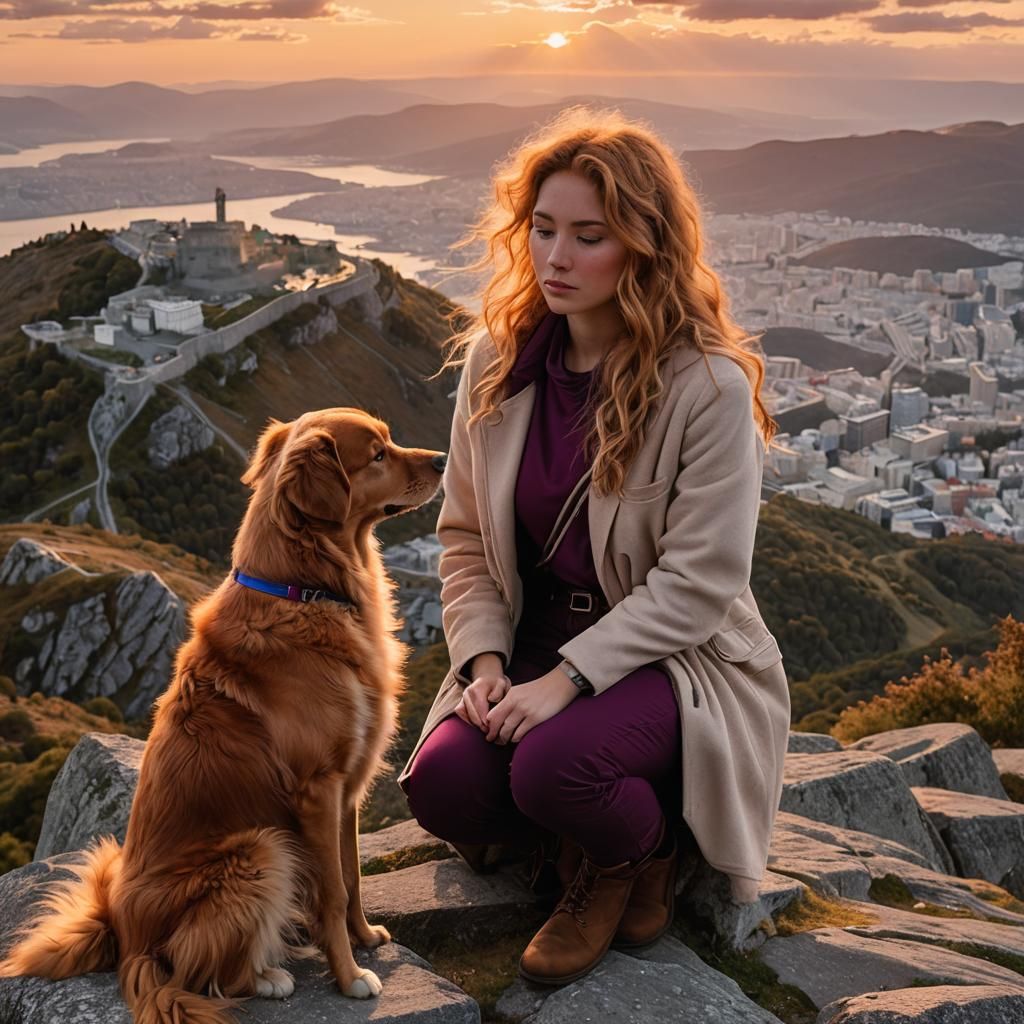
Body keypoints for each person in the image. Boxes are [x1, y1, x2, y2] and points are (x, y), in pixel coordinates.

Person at [396, 106, 787, 988]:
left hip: (669, 658)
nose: (556, 257)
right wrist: (485, 665)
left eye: (589, 235)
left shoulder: (707, 386)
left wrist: (562, 685)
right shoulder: (498, 360)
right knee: (442, 790)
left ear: (643, 247)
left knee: (552, 767)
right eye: (541, 229)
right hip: (529, 641)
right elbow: (463, 540)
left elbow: (701, 584)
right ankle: (600, 825)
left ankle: (632, 854)